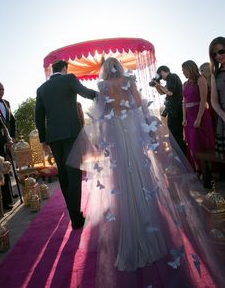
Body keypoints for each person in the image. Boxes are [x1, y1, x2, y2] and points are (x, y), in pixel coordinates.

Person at [67, 58, 224, 288]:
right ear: (119, 68)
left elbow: (100, 117)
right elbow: (139, 104)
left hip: (117, 136)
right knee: (141, 176)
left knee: (121, 178)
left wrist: (102, 140)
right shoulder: (129, 81)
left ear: (104, 71)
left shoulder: (102, 87)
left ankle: (130, 237)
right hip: (130, 130)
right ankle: (151, 235)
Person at [35, 59, 97, 229]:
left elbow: (38, 117)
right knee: (74, 172)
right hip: (72, 134)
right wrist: (102, 94)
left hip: (53, 137)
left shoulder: (41, 89)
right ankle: (76, 217)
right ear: (64, 68)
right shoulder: (69, 78)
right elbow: (85, 92)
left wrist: (43, 140)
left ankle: (73, 212)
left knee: (63, 174)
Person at [182, 60, 214, 186]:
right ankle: (197, 171)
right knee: (191, 145)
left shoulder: (200, 80)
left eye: (184, 70)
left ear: (190, 69)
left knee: (203, 144)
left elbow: (203, 100)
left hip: (199, 114)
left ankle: (207, 174)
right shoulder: (185, 84)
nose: (183, 73)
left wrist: (199, 118)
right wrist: (184, 118)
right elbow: (183, 102)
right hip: (189, 117)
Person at [151, 65, 186, 153]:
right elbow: (162, 93)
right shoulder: (169, 80)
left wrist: (158, 84)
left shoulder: (172, 76)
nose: (160, 77)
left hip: (176, 110)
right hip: (173, 110)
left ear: (163, 71)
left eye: (159, 74)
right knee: (174, 135)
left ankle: (183, 156)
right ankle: (181, 155)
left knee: (176, 135)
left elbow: (170, 92)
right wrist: (156, 86)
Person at [209, 37, 225, 159]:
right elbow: (214, 101)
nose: (218, 56)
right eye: (214, 54)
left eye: (221, 51)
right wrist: (223, 115)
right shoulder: (215, 75)